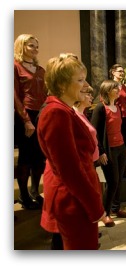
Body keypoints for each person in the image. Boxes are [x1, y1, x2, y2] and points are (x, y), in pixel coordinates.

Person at [37, 55, 105, 250]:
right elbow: (69, 169)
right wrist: (95, 206)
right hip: (73, 199)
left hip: (77, 196)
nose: (86, 85)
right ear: (63, 83)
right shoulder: (56, 113)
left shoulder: (64, 110)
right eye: (80, 80)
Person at [14, 34, 47, 209]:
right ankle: (23, 195)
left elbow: (44, 94)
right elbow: (14, 96)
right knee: (26, 158)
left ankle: (35, 191)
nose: (35, 49)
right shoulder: (14, 66)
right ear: (21, 46)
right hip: (24, 116)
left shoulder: (40, 69)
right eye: (31, 46)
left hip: (40, 115)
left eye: (36, 46)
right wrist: (26, 120)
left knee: (39, 156)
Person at [91, 80, 126, 227]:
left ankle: (116, 209)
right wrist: (101, 152)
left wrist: (125, 146)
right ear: (107, 91)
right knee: (112, 181)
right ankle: (105, 213)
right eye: (115, 88)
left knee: (119, 180)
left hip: (120, 147)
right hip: (108, 150)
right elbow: (94, 133)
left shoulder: (118, 107)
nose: (118, 90)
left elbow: (121, 130)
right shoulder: (100, 108)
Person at [109, 64, 126, 178]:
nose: (122, 73)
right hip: (117, 115)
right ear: (113, 72)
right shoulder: (110, 85)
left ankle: (124, 169)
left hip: (125, 115)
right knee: (117, 142)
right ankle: (117, 169)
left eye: (123, 71)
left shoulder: (124, 86)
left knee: (125, 142)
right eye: (119, 71)